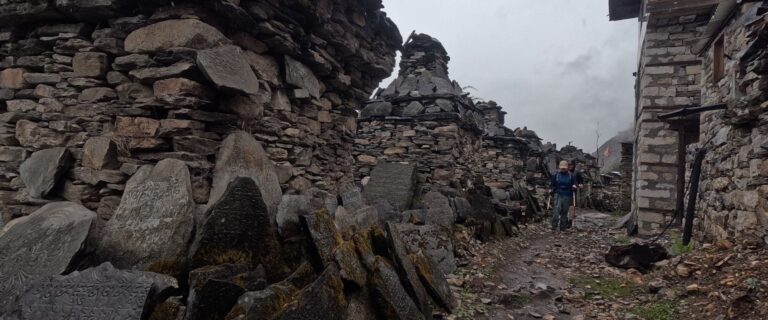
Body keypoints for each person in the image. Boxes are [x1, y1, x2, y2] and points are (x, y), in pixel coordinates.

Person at [550, 160, 576, 231]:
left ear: (567, 167)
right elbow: (552, 185)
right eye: (562, 168)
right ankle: (554, 226)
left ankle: (563, 227)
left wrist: (574, 187)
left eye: (564, 168)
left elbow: (574, 184)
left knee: (564, 211)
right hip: (558, 194)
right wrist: (551, 189)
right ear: (559, 168)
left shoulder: (571, 176)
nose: (563, 169)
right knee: (556, 210)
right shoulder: (556, 175)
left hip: (567, 195)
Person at [566, 160, 585, 229]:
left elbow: (581, 183)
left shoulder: (577, 173)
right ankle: (564, 220)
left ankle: (570, 221)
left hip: (573, 191)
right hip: (564, 192)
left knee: (571, 207)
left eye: (571, 165)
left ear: (574, 165)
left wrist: (578, 185)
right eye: (569, 165)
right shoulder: (565, 172)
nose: (570, 166)